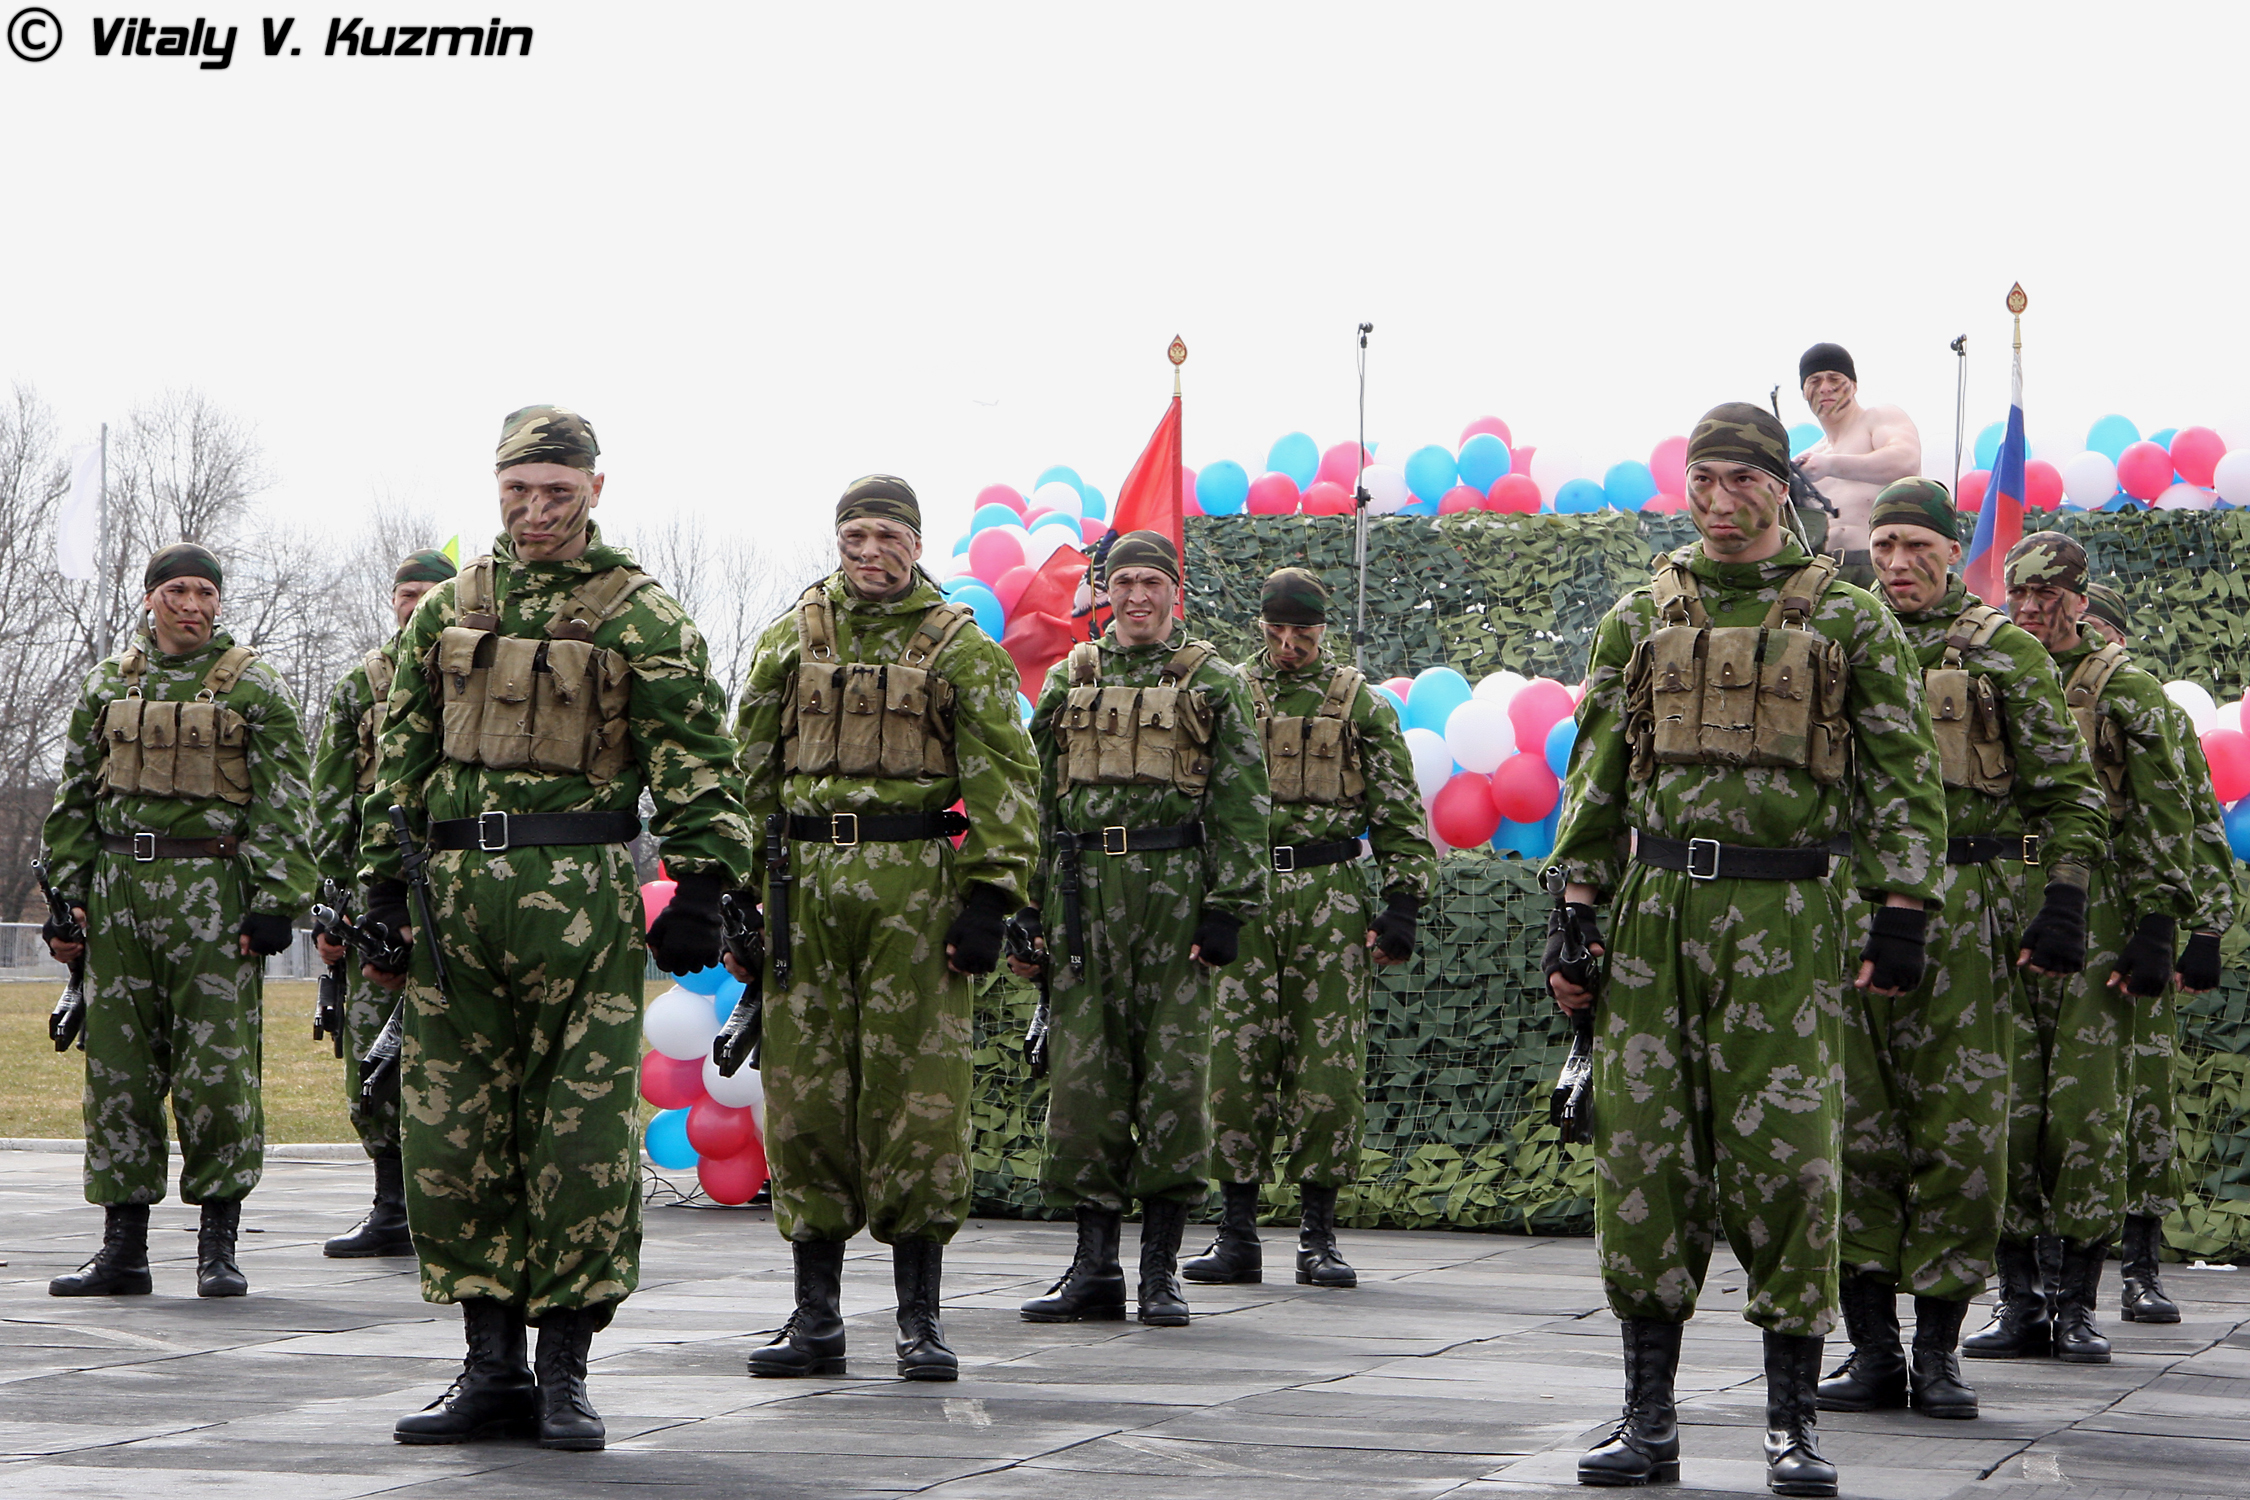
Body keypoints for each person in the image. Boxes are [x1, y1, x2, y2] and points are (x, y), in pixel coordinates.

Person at [1547, 403, 1947, 1496]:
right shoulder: (1638, 618)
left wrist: (1903, 906)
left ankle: (1792, 1424)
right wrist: (1576, 907)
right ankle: (1647, 1421)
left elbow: (1902, 772)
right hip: (1656, 911)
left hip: (1788, 919)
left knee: (1791, 1169)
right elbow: (1598, 773)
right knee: (1645, 1167)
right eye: (1702, 479)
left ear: (1781, 487)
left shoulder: (1848, 622)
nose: (1719, 502)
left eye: (1742, 481)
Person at [360, 406, 753, 1450]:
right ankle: (490, 1368)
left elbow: (696, 756)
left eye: (557, 492)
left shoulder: (640, 615)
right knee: (454, 1134)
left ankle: (567, 1372)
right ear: (496, 488)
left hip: (578, 894)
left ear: (594, 490)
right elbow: (397, 758)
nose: (536, 512)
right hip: (453, 900)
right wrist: (379, 892)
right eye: (518, 491)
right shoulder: (447, 610)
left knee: (578, 1139)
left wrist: (706, 884)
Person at [728, 474, 1040, 1383]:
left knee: (920, 1100)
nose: (871, 553)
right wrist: (738, 893)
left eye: (888, 537)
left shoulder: (960, 649)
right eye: (856, 535)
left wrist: (991, 898)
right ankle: (815, 1316)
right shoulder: (790, 639)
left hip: (916, 893)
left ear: (916, 542)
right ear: (838, 540)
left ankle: (919, 1321)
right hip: (805, 891)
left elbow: (1004, 779)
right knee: (805, 1098)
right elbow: (746, 764)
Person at [1817, 481, 2107, 1422]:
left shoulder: (2007, 654)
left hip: (1967, 912)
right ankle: (1871, 1351)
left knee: (1964, 1134)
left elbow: (2070, 794)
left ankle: (1937, 1353)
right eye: (1886, 542)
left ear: (1953, 551)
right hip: (1850, 912)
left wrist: (2060, 904)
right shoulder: (1839, 642)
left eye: (1919, 546)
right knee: (1853, 1128)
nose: (1898, 562)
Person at [42, 543, 314, 1300]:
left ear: (219, 602)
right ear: (150, 598)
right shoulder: (106, 685)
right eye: (176, 591)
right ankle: (122, 1250)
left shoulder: (255, 686)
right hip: (121, 891)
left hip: (213, 894)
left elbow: (287, 799)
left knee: (216, 1075)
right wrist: (67, 902)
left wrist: (274, 902)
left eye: (204, 592)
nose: (191, 605)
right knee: (117, 1076)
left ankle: (217, 1247)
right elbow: (74, 799)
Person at [1012, 529, 1269, 1328]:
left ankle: (1160, 1272)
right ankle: (1093, 1269)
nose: (1135, 597)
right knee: (1083, 1086)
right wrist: (1024, 905)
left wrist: (1230, 908)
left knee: (1175, 1082)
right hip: (1084, 897)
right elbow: (1033, 798)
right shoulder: (1068, 681)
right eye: (1122, 582)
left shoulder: (1217, 685)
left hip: (1175, 897)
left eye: (1150, 583)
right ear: (1105, 592)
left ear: (1173, 594)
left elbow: (1241, 803)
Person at [1965, 533, 2198, 1366]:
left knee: (2086, 1116)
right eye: (2020, 595)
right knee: (2006, 1109)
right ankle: (2018, 1298)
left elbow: (2168, 817)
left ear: (2078, 596)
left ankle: (2078, 1304)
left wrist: (2160, 926)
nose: (2031, 609)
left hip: (2094, 910)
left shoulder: (2127, 692)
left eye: (2048, 595)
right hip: (2002, 906)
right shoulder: (1991, 677)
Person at [1187, 566, 1433, 1290]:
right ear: (1259, 626)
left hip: (1330, 894)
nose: (1289, 645)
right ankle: (1236, 1233)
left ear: (1325, 628)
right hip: (1246, 891)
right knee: (1233, 1064)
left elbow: (1397, 808)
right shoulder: (1227, 693)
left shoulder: (1361, 703)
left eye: (1304, 633)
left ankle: (1318, 1236)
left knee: (1328, 1070)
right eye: (1275, 632)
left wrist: (1403, 904)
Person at [2074, 582, 2234, 1324]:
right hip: (2059, 921)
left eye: (2101, 628)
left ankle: (2139, 1267)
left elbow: (2197, 820)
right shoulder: (2027, 707)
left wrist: (2201, 932)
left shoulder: (2152, 713)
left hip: (2141, 923)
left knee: (2144, 1101)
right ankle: (2039, 1288)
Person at [308, 547, 458, 1258]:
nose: (415, 604)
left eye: (431, 592)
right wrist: (332, 905)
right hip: (377, 895)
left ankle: (454, 1211)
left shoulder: (475, 674)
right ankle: (391, 1208)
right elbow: (333, 801)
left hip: (459, 887)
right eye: (407, 593)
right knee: (373, 1056)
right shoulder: (356, 687)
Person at [1794, 343, 1923, 585]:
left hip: (1885, 566)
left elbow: (1905, 461)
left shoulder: (1878, 418)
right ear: (1803, 391)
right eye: (1814, 381)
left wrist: (1831, 465)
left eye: (1834, 378)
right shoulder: (1809, 458)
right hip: (1825, 573)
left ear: (1853, 385)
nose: (1825, 388)